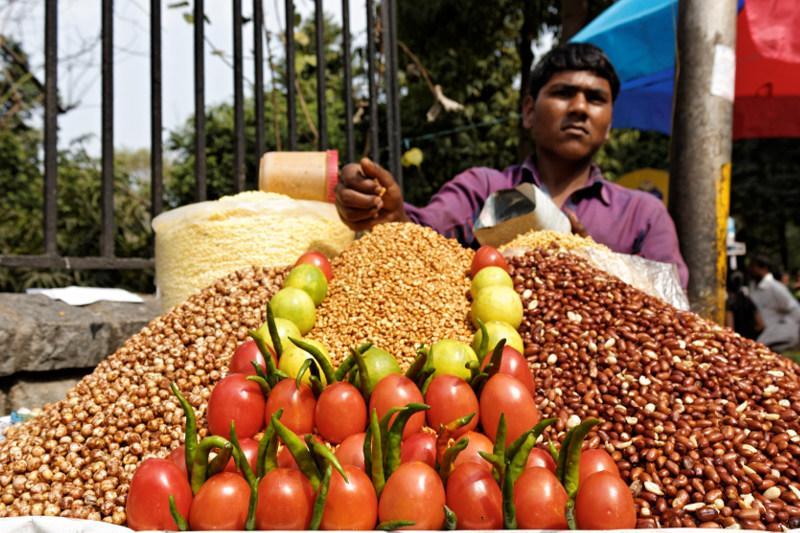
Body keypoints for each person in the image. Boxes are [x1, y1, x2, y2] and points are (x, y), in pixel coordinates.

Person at [335, 43, 689, 288]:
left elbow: (671, 301)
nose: (580, 108)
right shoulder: (481, 189)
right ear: (529, 112)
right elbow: (420, 235)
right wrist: (386, 214)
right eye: (564, 93)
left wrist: (598, 265)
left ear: (609, 124)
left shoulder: (644, 214)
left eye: (596, 99)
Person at [748, 255, 800, 351]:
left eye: (753, 267)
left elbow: (795, 310)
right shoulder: (753, 286)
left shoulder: (775, 287)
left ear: (763, 268)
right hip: (760, 334)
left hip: (774, 335)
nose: (750, 270)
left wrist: (782, 327)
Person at [725, 270, 762, 340]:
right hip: (750, 341)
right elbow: (760, 324)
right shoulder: (749, 300)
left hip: (737, 341)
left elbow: (730, 328)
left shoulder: (730, 303)